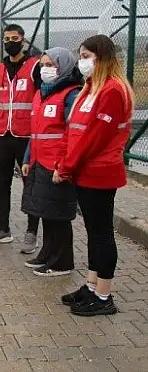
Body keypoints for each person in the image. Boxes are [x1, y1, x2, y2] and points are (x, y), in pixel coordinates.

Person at [56, 35, 134, 316]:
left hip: (100, 172)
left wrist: (67, 166)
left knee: (101, 234)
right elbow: (74, 129)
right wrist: (64, 160)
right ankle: (91, 286)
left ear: (102, 58)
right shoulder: (90, 88)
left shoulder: (113, 90)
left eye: (87, 55)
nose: (82, 61)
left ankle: (103, 296)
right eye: (81, 55)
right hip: (84, 172)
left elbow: (94, 139)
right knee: (92, 231)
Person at [20, 47, 82, 277]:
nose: (45, 69)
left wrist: (64, 165)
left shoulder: (71, 94)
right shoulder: (41, 93)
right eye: (43, 65)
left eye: (50, 65)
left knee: (59, 214)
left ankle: (62, 262)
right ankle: (47, 253)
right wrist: (28, 158)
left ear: (63, 66)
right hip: (39, 162)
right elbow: (35, 132)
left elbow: (73, 132)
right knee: (46, 211)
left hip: (57, 164)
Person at [0, 24, 41, 247]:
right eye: (7, 38)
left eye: (14, 38)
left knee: (31, 184)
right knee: (2, 183)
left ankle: (31, 231)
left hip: (26, 135)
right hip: (3, 134)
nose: (10, 42)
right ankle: (2, 228)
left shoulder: (34, 67)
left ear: (23, 40)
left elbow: (41, 100)